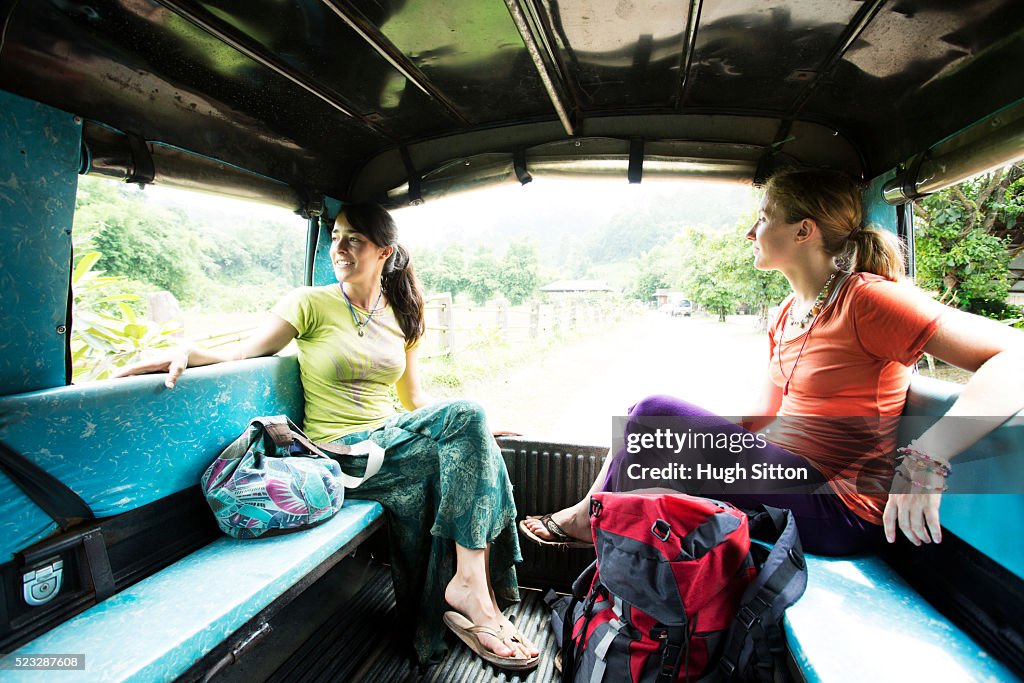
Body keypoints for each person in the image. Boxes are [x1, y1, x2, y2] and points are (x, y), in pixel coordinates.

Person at [116, 203, 539, 670]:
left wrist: (474, 431)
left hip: (387, 439)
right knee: (464, 433)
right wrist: (186, 351)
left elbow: (414, 398)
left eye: (354, 238)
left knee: (467, 438)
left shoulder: (402, 314)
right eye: (336, 236)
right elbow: (242, 354)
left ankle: (469, 595)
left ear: (385, 252)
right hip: (339, 454)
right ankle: (474, 596)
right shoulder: (309, 302)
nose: (340, 247)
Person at [521, 169, 1024, 556]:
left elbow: (1013, 356)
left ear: (804, 230)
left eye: (763, 217)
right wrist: (672, 436)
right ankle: (607, 592)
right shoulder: (789, 312)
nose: (750, 232)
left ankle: (589, 528)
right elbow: (760, 419)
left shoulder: (869, 300)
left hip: (839, 502)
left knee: (654, 413)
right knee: (645, 419)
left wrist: (926, 460)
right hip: (788, 482)